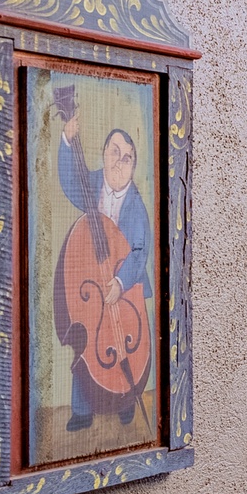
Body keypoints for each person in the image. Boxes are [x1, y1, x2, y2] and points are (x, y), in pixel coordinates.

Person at [58, 110, 152, 432]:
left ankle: (126, 401)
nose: (119, 161)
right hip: (92, 282)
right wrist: (69, 139)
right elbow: (71, 182)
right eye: (114, 152)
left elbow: (140, 252)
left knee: (127, 341)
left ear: (133, 166)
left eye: (127, 157)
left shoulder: (136, 205)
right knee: (87, 335)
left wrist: (121, 281)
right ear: (103, 154)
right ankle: (82, 410)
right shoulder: (93, 182)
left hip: (125, 289)